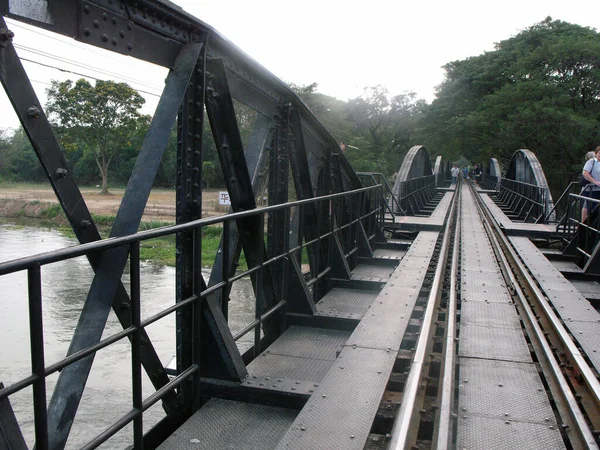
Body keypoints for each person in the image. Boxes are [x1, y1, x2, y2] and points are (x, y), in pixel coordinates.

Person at [581, 149, 600, 223]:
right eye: (599, 153)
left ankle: (585, 226)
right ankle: (586, 226)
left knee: (588, 206)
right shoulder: (592, 162)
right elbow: (585, 173)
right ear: (596, 154)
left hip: (598, 190)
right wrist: (596, 182)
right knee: (592, 208)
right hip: (591, 189)